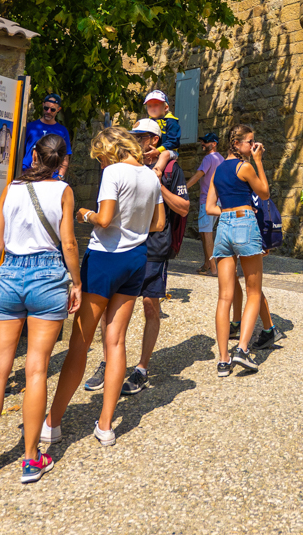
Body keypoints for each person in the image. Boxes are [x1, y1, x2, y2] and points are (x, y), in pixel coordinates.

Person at [46, 127, 171, 450]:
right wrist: (133, 227)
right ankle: (105, 425)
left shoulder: (114, 172)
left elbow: (104, 219)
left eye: (100, 157)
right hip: (136, 258)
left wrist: (84, 213)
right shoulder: (150, 176)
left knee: (80, 343)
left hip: (104, 258)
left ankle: (53, 422)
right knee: (116, 342)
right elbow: (159, 223)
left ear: (110, 150)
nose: (100, 163)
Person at [0, 133, 81, 485]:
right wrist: (76, 283)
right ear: (61, 161)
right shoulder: (64, 191)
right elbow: (68, 243)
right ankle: (31, 460)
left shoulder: (12, 189)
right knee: (36, 370)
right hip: (48, 277)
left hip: (10, 273)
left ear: (34, 155)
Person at [83, 119, 190, 397]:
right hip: (127, 248)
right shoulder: (121, 168)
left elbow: (183, 208)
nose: (136, 140)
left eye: (142, 136)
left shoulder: (170, 169)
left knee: (150, 307)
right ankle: (107, 362)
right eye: (134, 136)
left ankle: (141, 368)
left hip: (154, 248)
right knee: (110, 311)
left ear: (154, 140)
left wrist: (157, 184)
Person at [205, 124, 271, 375]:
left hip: (223, 225)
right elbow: (264, 193)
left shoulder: (218, 170)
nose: (253, 145)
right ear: (236, 144)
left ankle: (223, 360)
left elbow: (210, 207)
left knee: (224, 297)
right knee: (254, 292)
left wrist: (229, 213)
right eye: (250, 141)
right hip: (244, 222)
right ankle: (242, 350)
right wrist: (258, 161)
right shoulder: (245, 167)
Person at [188, 132, 223, 275]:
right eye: (203, 141)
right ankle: (207, 264)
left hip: (207, 201)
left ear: (214, 144)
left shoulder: (209, 158)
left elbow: (198, 175)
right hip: (219, 201)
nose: (203, 144)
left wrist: (183, 188)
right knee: (204, 233)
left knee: (207, 234)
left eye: (206, 142)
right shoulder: (221, 158)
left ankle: (213, 269)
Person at [20, 93, 71, 173]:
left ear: (58, 109)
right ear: (43, 105)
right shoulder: (30, 127)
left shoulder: (62, 131)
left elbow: (65, 156)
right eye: (46, 108)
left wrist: (60, 176)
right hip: (29, 172)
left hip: (51, 176)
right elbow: (20, 151)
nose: (48, 111)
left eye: (52, 109)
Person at [142, 88, 182, 153]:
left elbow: (174, 141)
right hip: (152, 151)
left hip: (168, 150)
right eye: (149, 106)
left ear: (165, 108)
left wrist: (158, 150)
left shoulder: (171, 121)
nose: (152, 108)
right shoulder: (147, 123)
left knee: (165, 155)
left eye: (156, 105)